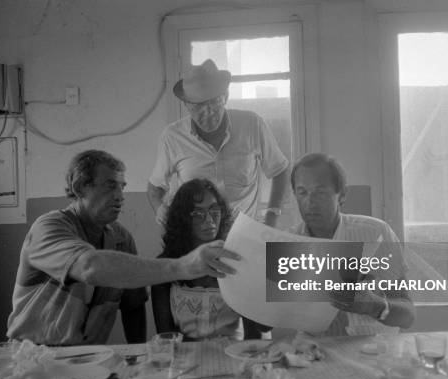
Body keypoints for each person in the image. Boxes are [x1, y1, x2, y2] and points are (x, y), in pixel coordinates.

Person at [7, 150, 239, 346]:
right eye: (110, 187)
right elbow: (89, 267)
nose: (120, 196)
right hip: (35, 354)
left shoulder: (121, 239)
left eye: (122, 187)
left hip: (90, 358)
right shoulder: (49, 227)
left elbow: (133, 306)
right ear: (80, 187)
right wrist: (184, 266)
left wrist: (137, 356)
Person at [147, 59, 290, 227]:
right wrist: (160, 209)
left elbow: (280, 170)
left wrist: (272, 214)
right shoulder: (172, 137)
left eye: (214, 102)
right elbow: (155, 187)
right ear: (186, 105)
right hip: (196, 234)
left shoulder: (252, 124)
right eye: (198, 106)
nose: (208, 112)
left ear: (226, 97)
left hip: (243, 232)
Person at [289, 153, 415, 335]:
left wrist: (375, 306)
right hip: (310, 353)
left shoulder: (376, 233)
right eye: (302, 192)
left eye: (321, 192)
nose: (310, 202)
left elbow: (408, 316)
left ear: (342, 195)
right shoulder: (285, 242)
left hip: (371, 352)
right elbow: (265, 322)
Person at [151, 179, 264, 340]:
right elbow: (166, 336)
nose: (209, 220)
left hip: (234, 356)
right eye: (197, 214)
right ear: (182, 218)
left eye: (214, 211)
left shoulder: (236, 260)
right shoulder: (168, 265)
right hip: (184, 358)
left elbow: (254, 335)